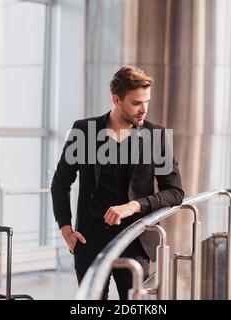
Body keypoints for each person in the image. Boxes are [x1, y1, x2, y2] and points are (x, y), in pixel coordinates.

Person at [51, 65, 184, 300]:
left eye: (147, 101)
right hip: (89, 243)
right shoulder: (84, 131)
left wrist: (135, 205)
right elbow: (60, 183)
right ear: (116, 99)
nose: (144, 109)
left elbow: (175, 192)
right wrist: (66, 229)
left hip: (136, 243)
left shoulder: (157, 136)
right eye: (136, 103)